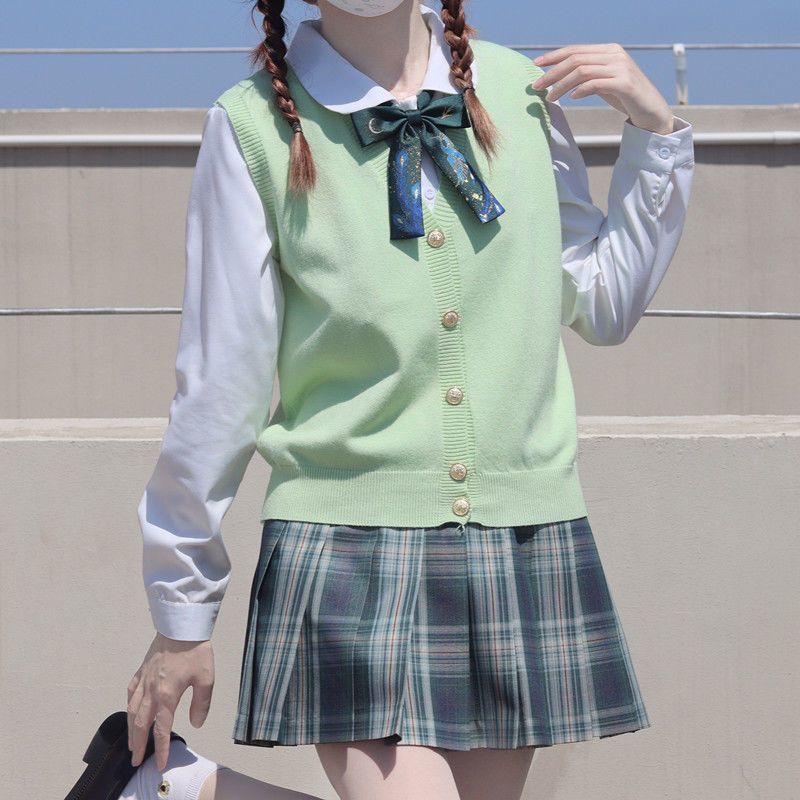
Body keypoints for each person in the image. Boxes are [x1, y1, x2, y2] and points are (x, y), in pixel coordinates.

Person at [65, 1, 694, 798]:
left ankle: (175, 792)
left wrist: (656, 137)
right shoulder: (254, 126)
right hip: (346, 552)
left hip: (521, 537)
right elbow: (221, 381)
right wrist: (182, 609)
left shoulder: (521, 94)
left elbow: (601, 303)